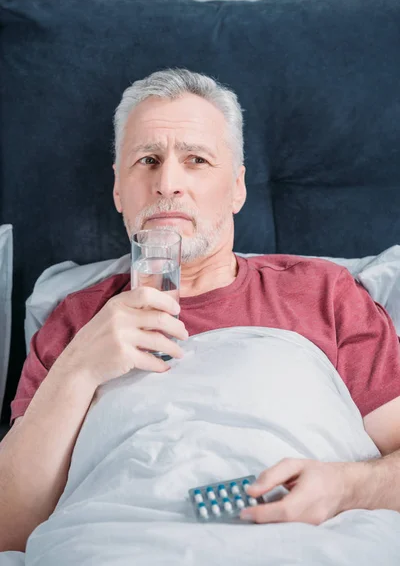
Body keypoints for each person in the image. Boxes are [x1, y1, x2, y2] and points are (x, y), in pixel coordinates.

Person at [1, 69, 400, 553]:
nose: (168, 183)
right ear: (118, 191)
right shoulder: (75, 320)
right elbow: (9, 527)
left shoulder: (324, 294)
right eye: (147, 160)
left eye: (196, 160)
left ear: (237, 188)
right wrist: (81, 367)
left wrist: (347, 488)